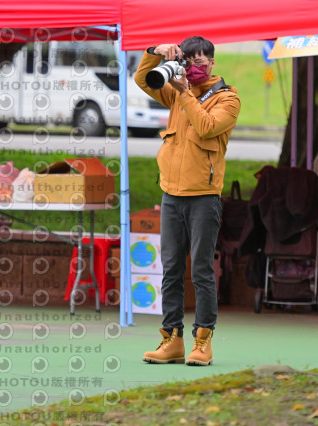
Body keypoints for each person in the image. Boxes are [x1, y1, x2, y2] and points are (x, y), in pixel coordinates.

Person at [134, 36, 241, 366]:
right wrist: (155, 52)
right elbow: (142, 79)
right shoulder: (176, 89)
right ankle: (172, 340)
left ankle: (203, 342)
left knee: (201, 271)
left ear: (212, 62)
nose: (193, 67)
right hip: (171, 195)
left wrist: (184, 92)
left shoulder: (227, 98)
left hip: (204, 198)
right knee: (171, 270)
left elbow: (207, 127)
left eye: (199, 61)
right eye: (187, 61)